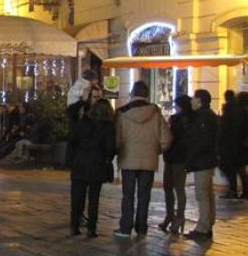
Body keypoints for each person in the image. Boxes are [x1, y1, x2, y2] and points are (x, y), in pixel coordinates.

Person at [114, 80, 171, 238]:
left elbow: (117, 138)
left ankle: (125, 227)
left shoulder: (122, 113)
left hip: (127, 159)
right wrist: (156, 150)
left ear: (132, 93)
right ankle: (141, 228)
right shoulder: (156, 112)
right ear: (147, 94)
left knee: (128, 195)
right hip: (149, 160)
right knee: (144, 195)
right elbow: (166, 139)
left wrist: (118, 150)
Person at [68, 93, 116, 236]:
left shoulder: (83, 123)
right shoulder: (108, 127)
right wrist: (107, 157)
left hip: (80, 163)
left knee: (77, 197)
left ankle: (74, 225)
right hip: (97, 164)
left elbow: (73, 139)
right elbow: (110, 148)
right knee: (94, 198)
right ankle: (91, 228)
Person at [184, 89, 220, 241]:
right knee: (207, 193)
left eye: (193, 99)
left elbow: (203, 141)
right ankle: (208, 223)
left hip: (202, 160)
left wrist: (192, 155)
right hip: (207, 159)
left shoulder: (203, 117)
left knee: (202, 194)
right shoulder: (209, 116)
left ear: (199, 101)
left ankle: (203, 227)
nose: (191, 101)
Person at [160, 94, 192, 234]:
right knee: (179, 188)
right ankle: (179, 217)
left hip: (172, 156)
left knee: (169, 187)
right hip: (183, 158)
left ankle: (171, 216)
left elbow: (170, 137)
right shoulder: (193, 119)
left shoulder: (175, 119)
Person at [217, 90, 246, 200]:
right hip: (238, 144)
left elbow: (224, 129)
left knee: (228, 168)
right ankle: (243, 191)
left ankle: (233, 190)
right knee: (238, 169)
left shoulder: (229, 109)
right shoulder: (240, 109)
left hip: (228, 145)